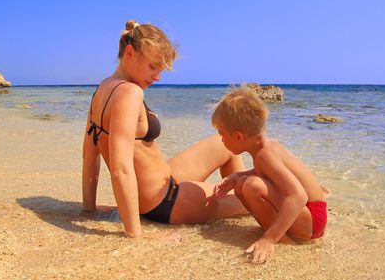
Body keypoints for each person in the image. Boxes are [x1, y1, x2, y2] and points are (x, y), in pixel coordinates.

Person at [82, 20, 246, 238]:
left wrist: (89, 209)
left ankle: (249, 184)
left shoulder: (102, 89)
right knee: (247, 196)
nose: (157, 76)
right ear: (129, 53)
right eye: (153, 66)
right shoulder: (130, 93)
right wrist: (135, 233)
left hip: (163, 182)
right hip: (165, 201)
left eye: (160, 69)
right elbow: (120, 169)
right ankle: (285, 202)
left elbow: (89, 154)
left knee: (224, 144)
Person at [211, 86, 328, 263]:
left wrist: (269, 239)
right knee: (242, 183)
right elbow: (266, 173)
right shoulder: (265, 150)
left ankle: (276, 238)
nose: (221, 140)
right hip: (308, 217)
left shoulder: (266, 154)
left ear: (238, 137)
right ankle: (277, 233)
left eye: (222, 135)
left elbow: (298, 195)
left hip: (313, 221)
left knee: (252, 185)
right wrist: (235, 177)